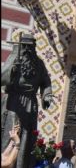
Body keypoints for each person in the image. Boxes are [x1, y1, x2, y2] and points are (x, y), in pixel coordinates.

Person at [0, 33, 53, 168]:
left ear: (35, 47)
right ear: (21, 46)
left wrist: (47, 95)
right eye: (25, 46)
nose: (28, 50)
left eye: (31, 46)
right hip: (14, 101)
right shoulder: (14, 59)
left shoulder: (39, 63)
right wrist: (12, 69)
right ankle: (7, 163)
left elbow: (46, 82)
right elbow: (2, 77)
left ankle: (22, 164)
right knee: (11, 131)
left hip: (30, 103)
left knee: (27, 135)